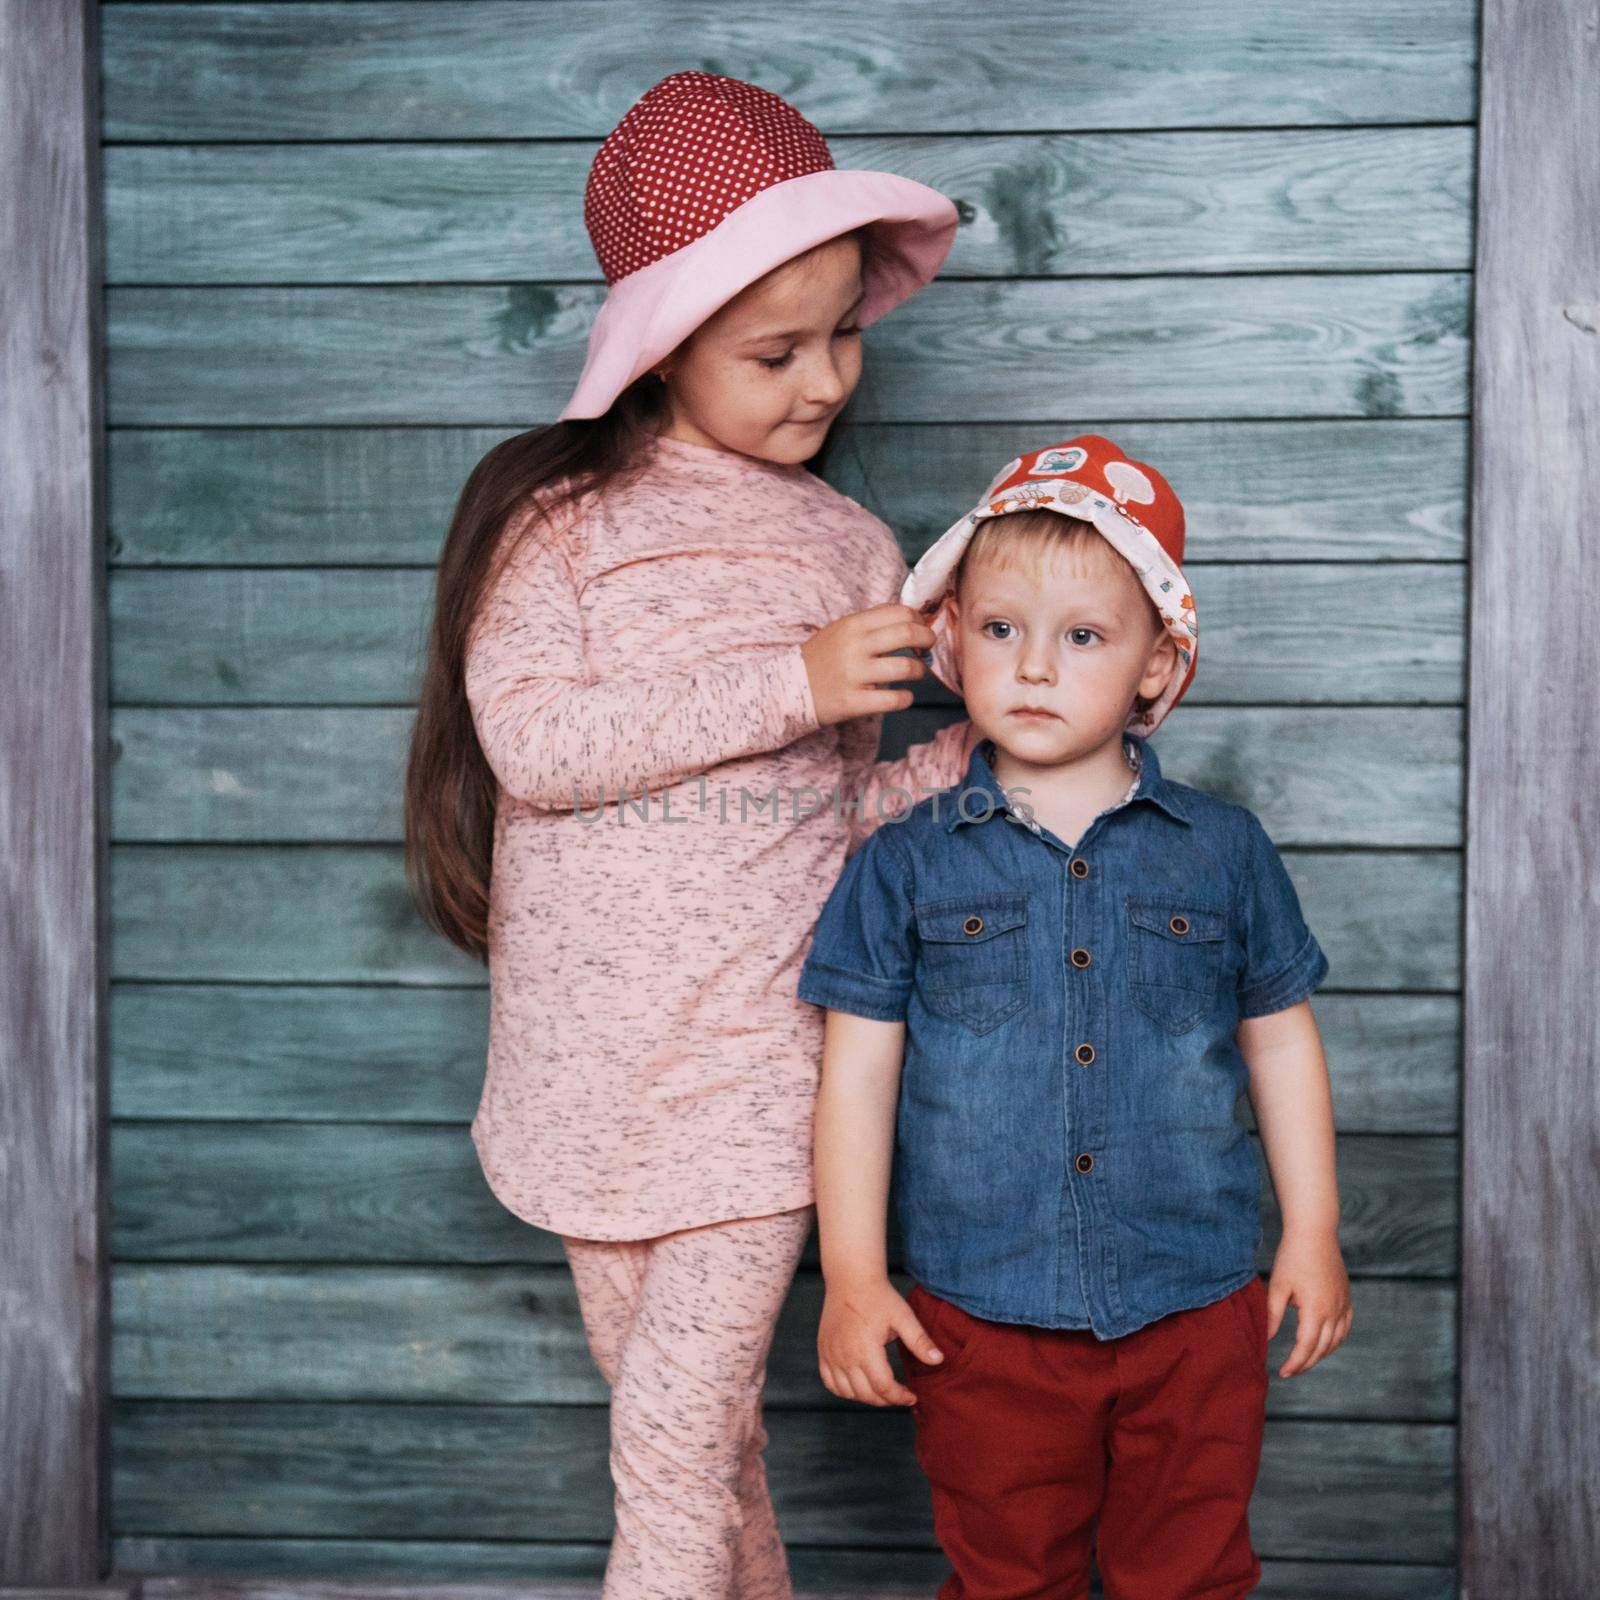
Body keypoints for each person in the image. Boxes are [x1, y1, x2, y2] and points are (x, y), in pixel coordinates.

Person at [402, 70, 980, 1600]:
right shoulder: (559, 527)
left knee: (669, 1432)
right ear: (665, 348)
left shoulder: (850, 549)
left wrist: (970, 756)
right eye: (774, 350)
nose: (827, 382)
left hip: (755, 1066)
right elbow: (538, 748)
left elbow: (829, 822)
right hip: (588, 1070)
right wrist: (788, 681)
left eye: (846, 331)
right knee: (700, 1450)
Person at [797, 435, 1354, 1598]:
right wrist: (854, 1275)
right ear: (950, 641)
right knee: (1008, 1576)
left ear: (1159, 664)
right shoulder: (902, 867)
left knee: (1189, 1573)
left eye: (1084, 636)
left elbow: (1278, 1042)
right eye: (1002, 629)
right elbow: (856, 1077)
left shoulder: (1225, 851)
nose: (1034, 668)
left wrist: (1311, 1230)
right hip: (981, 1310)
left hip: (1192, 1299)